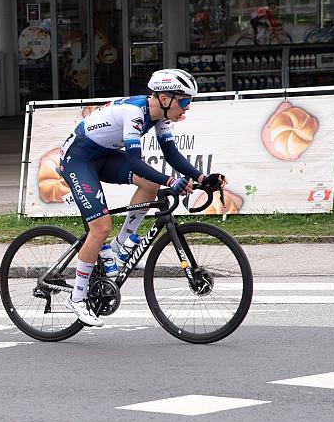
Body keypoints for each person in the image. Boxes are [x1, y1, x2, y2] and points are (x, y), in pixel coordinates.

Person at [59, 68, 226, 326]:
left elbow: (171, 154)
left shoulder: (159, 116)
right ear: (164, 98)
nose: (186, 108)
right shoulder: (135, 113)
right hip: (78, 160)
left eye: (188, 102)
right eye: (183, 101)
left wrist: (203, 179)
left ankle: (122, 245)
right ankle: (78, 297)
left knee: (149, 185)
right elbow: (135, 162)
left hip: (102, 156)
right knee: (101, 227)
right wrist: (170, 181)